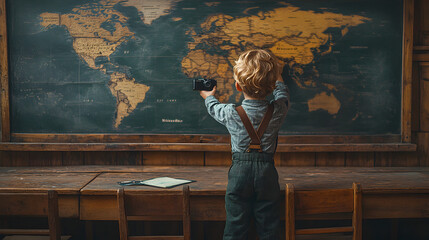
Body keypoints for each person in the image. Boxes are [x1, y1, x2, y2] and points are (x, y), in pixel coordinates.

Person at [199, 49, 290, 240]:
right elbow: (283, 94)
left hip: (239, 174)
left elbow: (213, 107)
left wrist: (208, 96)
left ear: (238, 86)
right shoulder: (278, 110)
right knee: (269, 227)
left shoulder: (231, 112)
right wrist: (278, 75)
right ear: (272, 85)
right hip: (267, 173)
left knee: (235, 225)